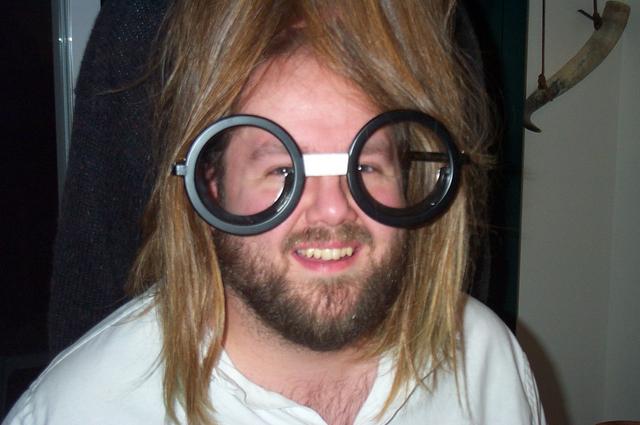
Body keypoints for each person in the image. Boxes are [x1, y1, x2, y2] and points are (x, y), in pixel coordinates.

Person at [4, 1, 545, 424]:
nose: (333, 209)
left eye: (366, 165)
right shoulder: (82, 410)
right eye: (283, 171)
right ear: (211, 185)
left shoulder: (487, 362)